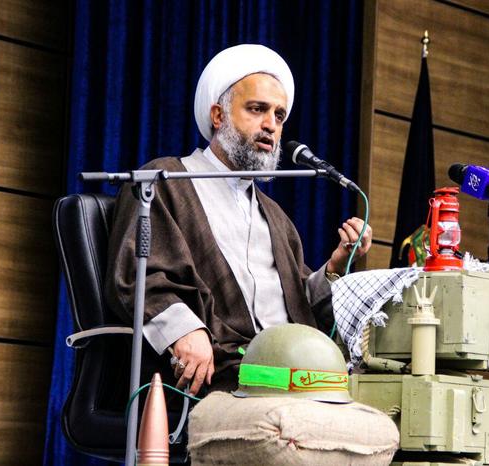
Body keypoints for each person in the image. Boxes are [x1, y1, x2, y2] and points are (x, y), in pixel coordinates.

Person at [105, 44, 371, 396]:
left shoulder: (274, 216)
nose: (270, 125)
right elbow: (138, 275)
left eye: (279, 116)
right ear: (218, 116)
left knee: (379, 398)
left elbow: (296, 305)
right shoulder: (165, 181)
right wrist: (185, 330)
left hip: (291, 372)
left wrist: (335, 266)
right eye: (257, 109)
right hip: (227, 373)